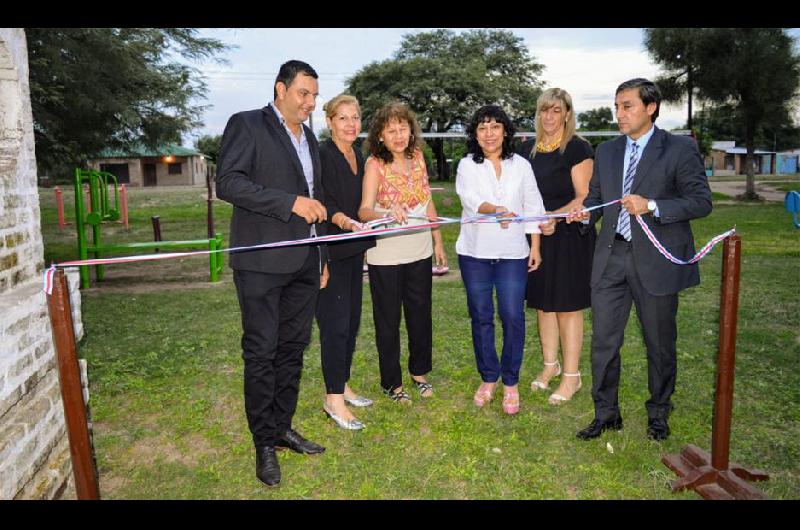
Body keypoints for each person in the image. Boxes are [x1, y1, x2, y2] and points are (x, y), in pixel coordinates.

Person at [566, 78, 712, 441]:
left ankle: (659, 413)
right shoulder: (608, 151)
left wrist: (653, 206)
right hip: (611, 257)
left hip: (657, 263)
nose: (620, 114)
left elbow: (701, 201)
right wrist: (585, 213)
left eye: (627, 106)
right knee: (604, 342)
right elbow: (597, 196)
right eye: (617, 106)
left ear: (651, 107)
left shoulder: (678, 149)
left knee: (659, 343)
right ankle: (606, 413)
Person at [216, 60, 329, 488]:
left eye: (315, 95)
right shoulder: (247, 124)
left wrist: (320, 257)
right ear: (281, 89)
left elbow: (316, 201)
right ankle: (263, 441)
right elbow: (227, 182)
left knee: (293, 348)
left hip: (304, 261)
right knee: (261, 352)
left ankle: (282, 426)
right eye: (304, 93)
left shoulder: (310, 138)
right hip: (261, 263)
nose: (310, 103)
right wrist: (289, 203)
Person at [455, 105, 546, 414]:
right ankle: (488, 377)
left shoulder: (521, 165)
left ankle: (510, 382)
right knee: (481, 316)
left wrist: (534, 244)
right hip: (474, 253)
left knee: (512, 316)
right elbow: (468, 200)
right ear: (475, 134)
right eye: (482, 128)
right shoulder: (467, 165)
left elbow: (533, 204)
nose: (489, 134)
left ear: (505, 130)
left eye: (495, 127)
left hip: (512, 254)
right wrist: (495, 210)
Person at [358, 101, 447, 403]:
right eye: (390, 130)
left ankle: (419, 372)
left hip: (419, 248)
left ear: (411, 130)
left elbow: (427, 201)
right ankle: (392, 383)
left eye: (403, 128)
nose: (398, 135)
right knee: (388, 320)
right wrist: (386, 209)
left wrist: (437, 239)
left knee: (420, 315)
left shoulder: (419, 157)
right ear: (380, 136)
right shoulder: (374, 164)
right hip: (387, 254)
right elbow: (364, 211)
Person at [517, 88, 595, 405]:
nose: (549, 117)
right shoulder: (525, 151)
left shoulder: (578, 149)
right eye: (544, 111)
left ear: (567, 113)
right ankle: (550, 366)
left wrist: (554, 217)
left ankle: (572, 376)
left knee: (566, 307)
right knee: (543, 305)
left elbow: (584, 197)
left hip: (568, 237)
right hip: (537, 238)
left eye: (555, 110)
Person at [316, 94, 376, 430]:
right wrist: (343, 221)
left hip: (354, 250)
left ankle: (343, 383)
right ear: (330, 122)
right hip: (331, 251)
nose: (351, 124)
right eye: (343, 118)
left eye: (355, 118)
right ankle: (333, 400)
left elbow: (363, 204)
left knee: (351, 322)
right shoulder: (322, 155)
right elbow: (323, 202)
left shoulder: (358, 154)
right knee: (334, 326)